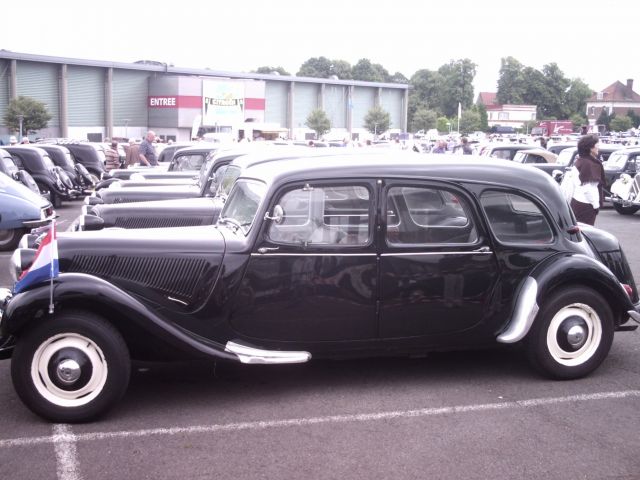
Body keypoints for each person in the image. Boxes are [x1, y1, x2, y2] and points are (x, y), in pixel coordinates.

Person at [569, 134, 605, 226]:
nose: (599, 147)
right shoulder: (589, 164)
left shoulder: (581, 161)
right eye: (597, 144)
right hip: (586, 204)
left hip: (577, 202)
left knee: (578, 232)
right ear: (591, 147)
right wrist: (595, 205)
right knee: (586, 233)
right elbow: (587, 188)